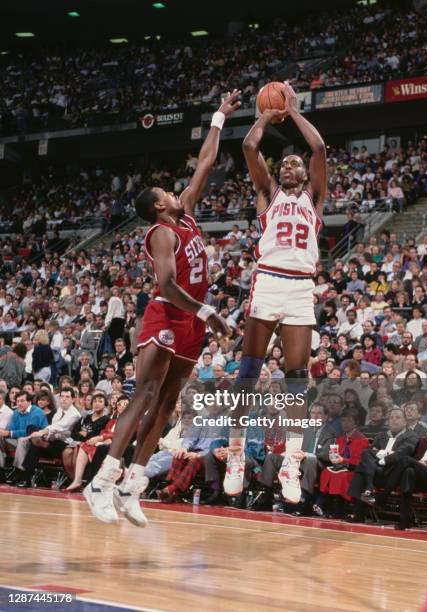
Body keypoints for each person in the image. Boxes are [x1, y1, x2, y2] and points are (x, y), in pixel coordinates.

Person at [84, 90, 241, 526]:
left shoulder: (186, 216)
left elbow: (205, 164)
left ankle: (133, 485)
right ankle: (102, 481)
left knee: (169, 403)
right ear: (158, 205)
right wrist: (208, 312)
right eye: (167, 192)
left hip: (192, 320)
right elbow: (168, 286)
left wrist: (219, 117)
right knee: (146, 393)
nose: (177, 192)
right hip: (167, 314)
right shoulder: (159, 232)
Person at [224, 82, 327, 496]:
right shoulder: (266, 194)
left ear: (305, 174)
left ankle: (291, 462)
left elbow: (319, 149)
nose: (288, 166)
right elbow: (250, 148)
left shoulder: (314, 199)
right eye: (283, 163)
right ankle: (234, 454)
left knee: (297, 377)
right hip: (267, 281)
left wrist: (294, 110)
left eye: (294, 164)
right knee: (248, 372)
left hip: (301, 287)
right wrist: (267, 114)